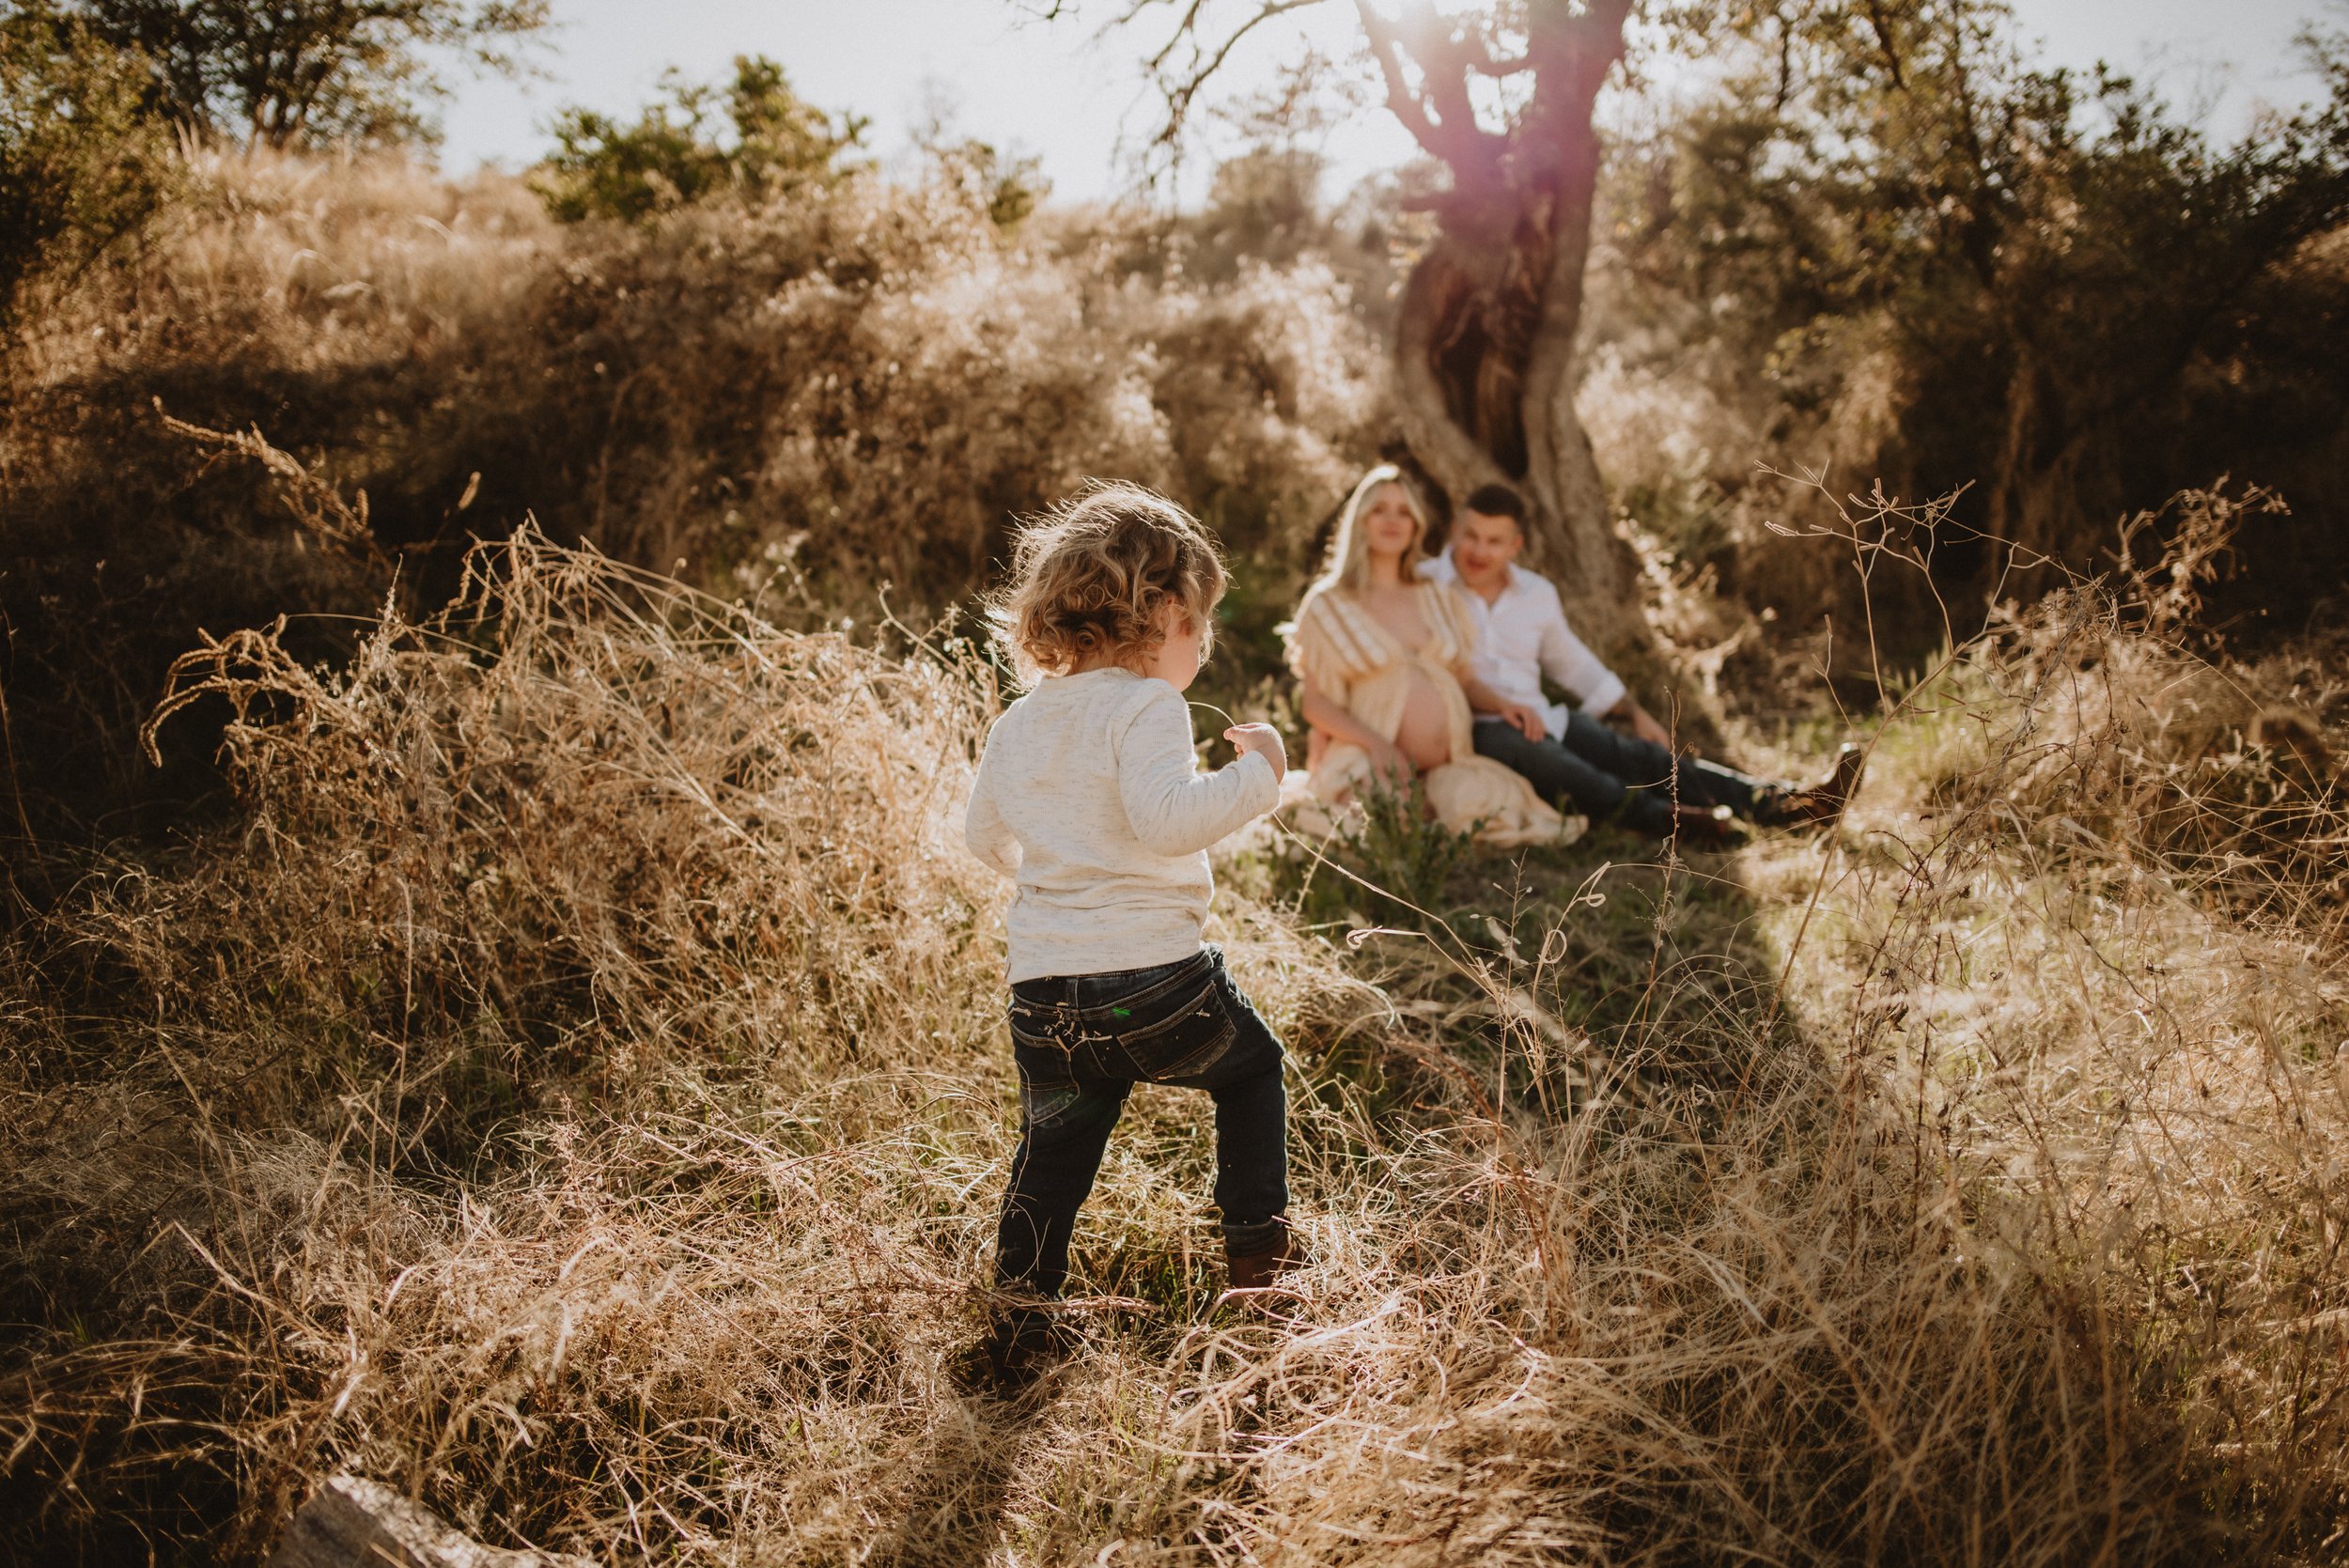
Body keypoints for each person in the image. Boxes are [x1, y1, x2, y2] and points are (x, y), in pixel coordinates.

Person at [961, 481, 1299, 1387]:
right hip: (1151, 984)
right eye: (1203, 622)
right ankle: (1260, 1269)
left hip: (1042, 995)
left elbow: (981, 837)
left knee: (1052, 1156)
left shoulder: (1018, 720)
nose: (1205, 644)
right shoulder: (1145, 704)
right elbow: (1166, 821)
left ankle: (1021, 1319)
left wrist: (1058, 881)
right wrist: (1261, 775)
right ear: (1162, 609)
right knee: (1251, 1067)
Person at [1421, 483, 1862, 840]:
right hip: (1475, 728)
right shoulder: (1425, 587)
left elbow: (1572, 663)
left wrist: (1634, 712)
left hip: (1542, 717)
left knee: (1639, 756)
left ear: (1515, 544)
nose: (1478, 551)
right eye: (1471, 536)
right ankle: (1670, 821)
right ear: (1455, 531)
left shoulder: (1535, 594)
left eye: (1493, 541)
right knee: (1564, 767)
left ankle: (1796, 805)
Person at [1283, 466, 1575, 847]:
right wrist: (1379, 747)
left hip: (1448, 762)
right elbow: (1317, 703)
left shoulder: (1437, 596)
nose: (1393, 520)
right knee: (1379, 821)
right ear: (1361, 520)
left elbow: (1465, 680)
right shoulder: (1329, 603)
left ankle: (1431, 809)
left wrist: (1504, 705)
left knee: (1492, 808)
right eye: (1380, 510)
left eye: (1404, 511)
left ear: (1416, 525)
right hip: (1372, 755)